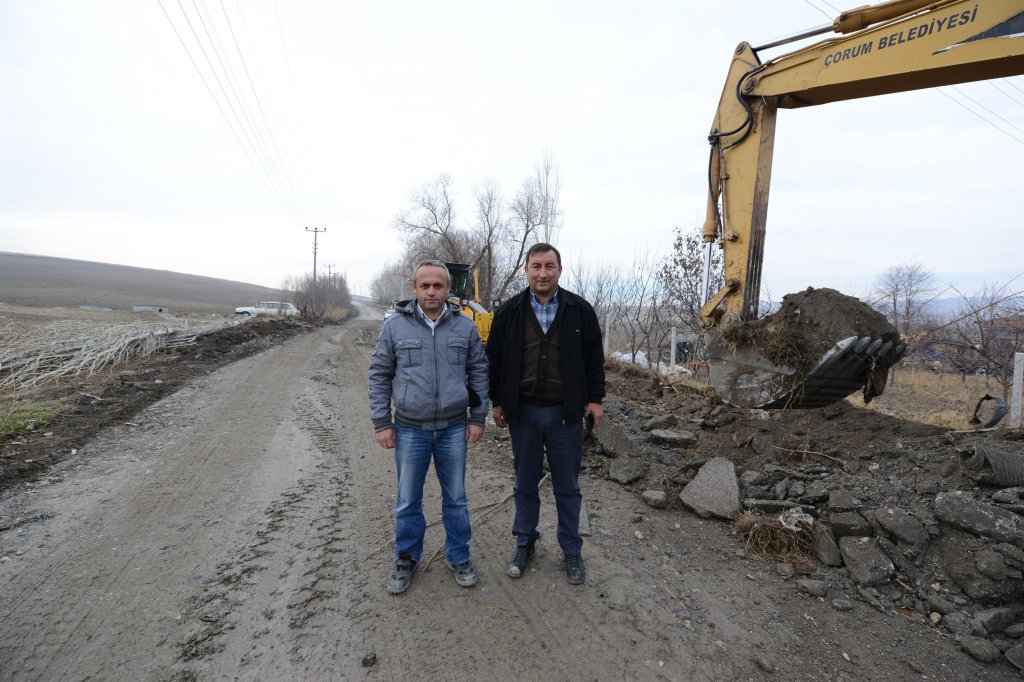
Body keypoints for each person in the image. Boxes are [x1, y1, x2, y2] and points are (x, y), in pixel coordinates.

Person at [486, 243, 605, 585]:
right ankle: (525, 542)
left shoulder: (580, 311)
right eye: (536, 266)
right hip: (523, 414)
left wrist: (595, 400)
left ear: (560, 270)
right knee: (525, 483)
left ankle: (571, 549)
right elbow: (494, 361)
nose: (542, 273)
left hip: (565, 416)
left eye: (549, 266)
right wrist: (497, 401)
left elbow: (594, 362)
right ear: (526, 270)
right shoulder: (509, 312)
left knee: (567, 486)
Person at [368, 259, 489, 594]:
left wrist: (478, 417)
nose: (432, 291)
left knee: (457, 498)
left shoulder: (464, 327)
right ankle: (406, 557)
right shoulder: (395, 327)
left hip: (453, 429)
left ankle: (459, 556)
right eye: (425, 286)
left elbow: (479, 372)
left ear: (448, 289)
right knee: (408, 500)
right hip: (409, 429)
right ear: (415, 288)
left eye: (438, 285)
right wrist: (382, 422)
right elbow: (379, 376)